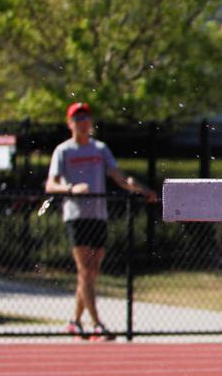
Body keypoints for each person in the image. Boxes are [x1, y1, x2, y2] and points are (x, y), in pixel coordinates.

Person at [45, 102, 158, 341]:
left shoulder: (100, 149)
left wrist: (141, 190)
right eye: (78, 118)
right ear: (70, 124)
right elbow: (50, 184)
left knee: (92, 271)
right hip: (77, 216)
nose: (83, 122)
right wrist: (71, 188)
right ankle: (96, 324)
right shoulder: (63, 151)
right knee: (85, 270)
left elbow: (119, 177)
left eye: (86, 117)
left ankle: (74, 322)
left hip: (99, 215)